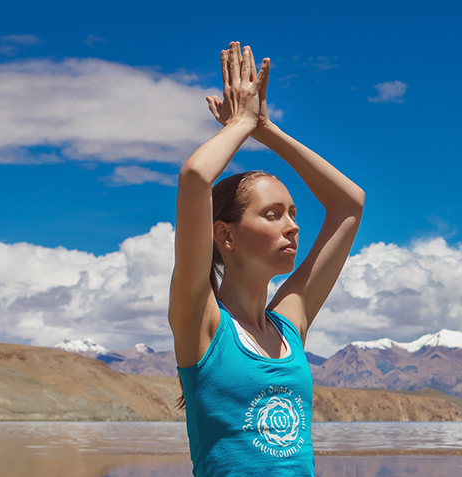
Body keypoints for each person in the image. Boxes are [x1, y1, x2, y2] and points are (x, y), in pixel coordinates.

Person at [169, 41, 365, 477]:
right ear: (225, 235)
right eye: (273, 215)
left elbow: (350, 204)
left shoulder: (289, 324)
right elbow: (196, 177)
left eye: (293, 214)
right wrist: (240, 124)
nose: (292, 227)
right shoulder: (201, 322)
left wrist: (266, 129)